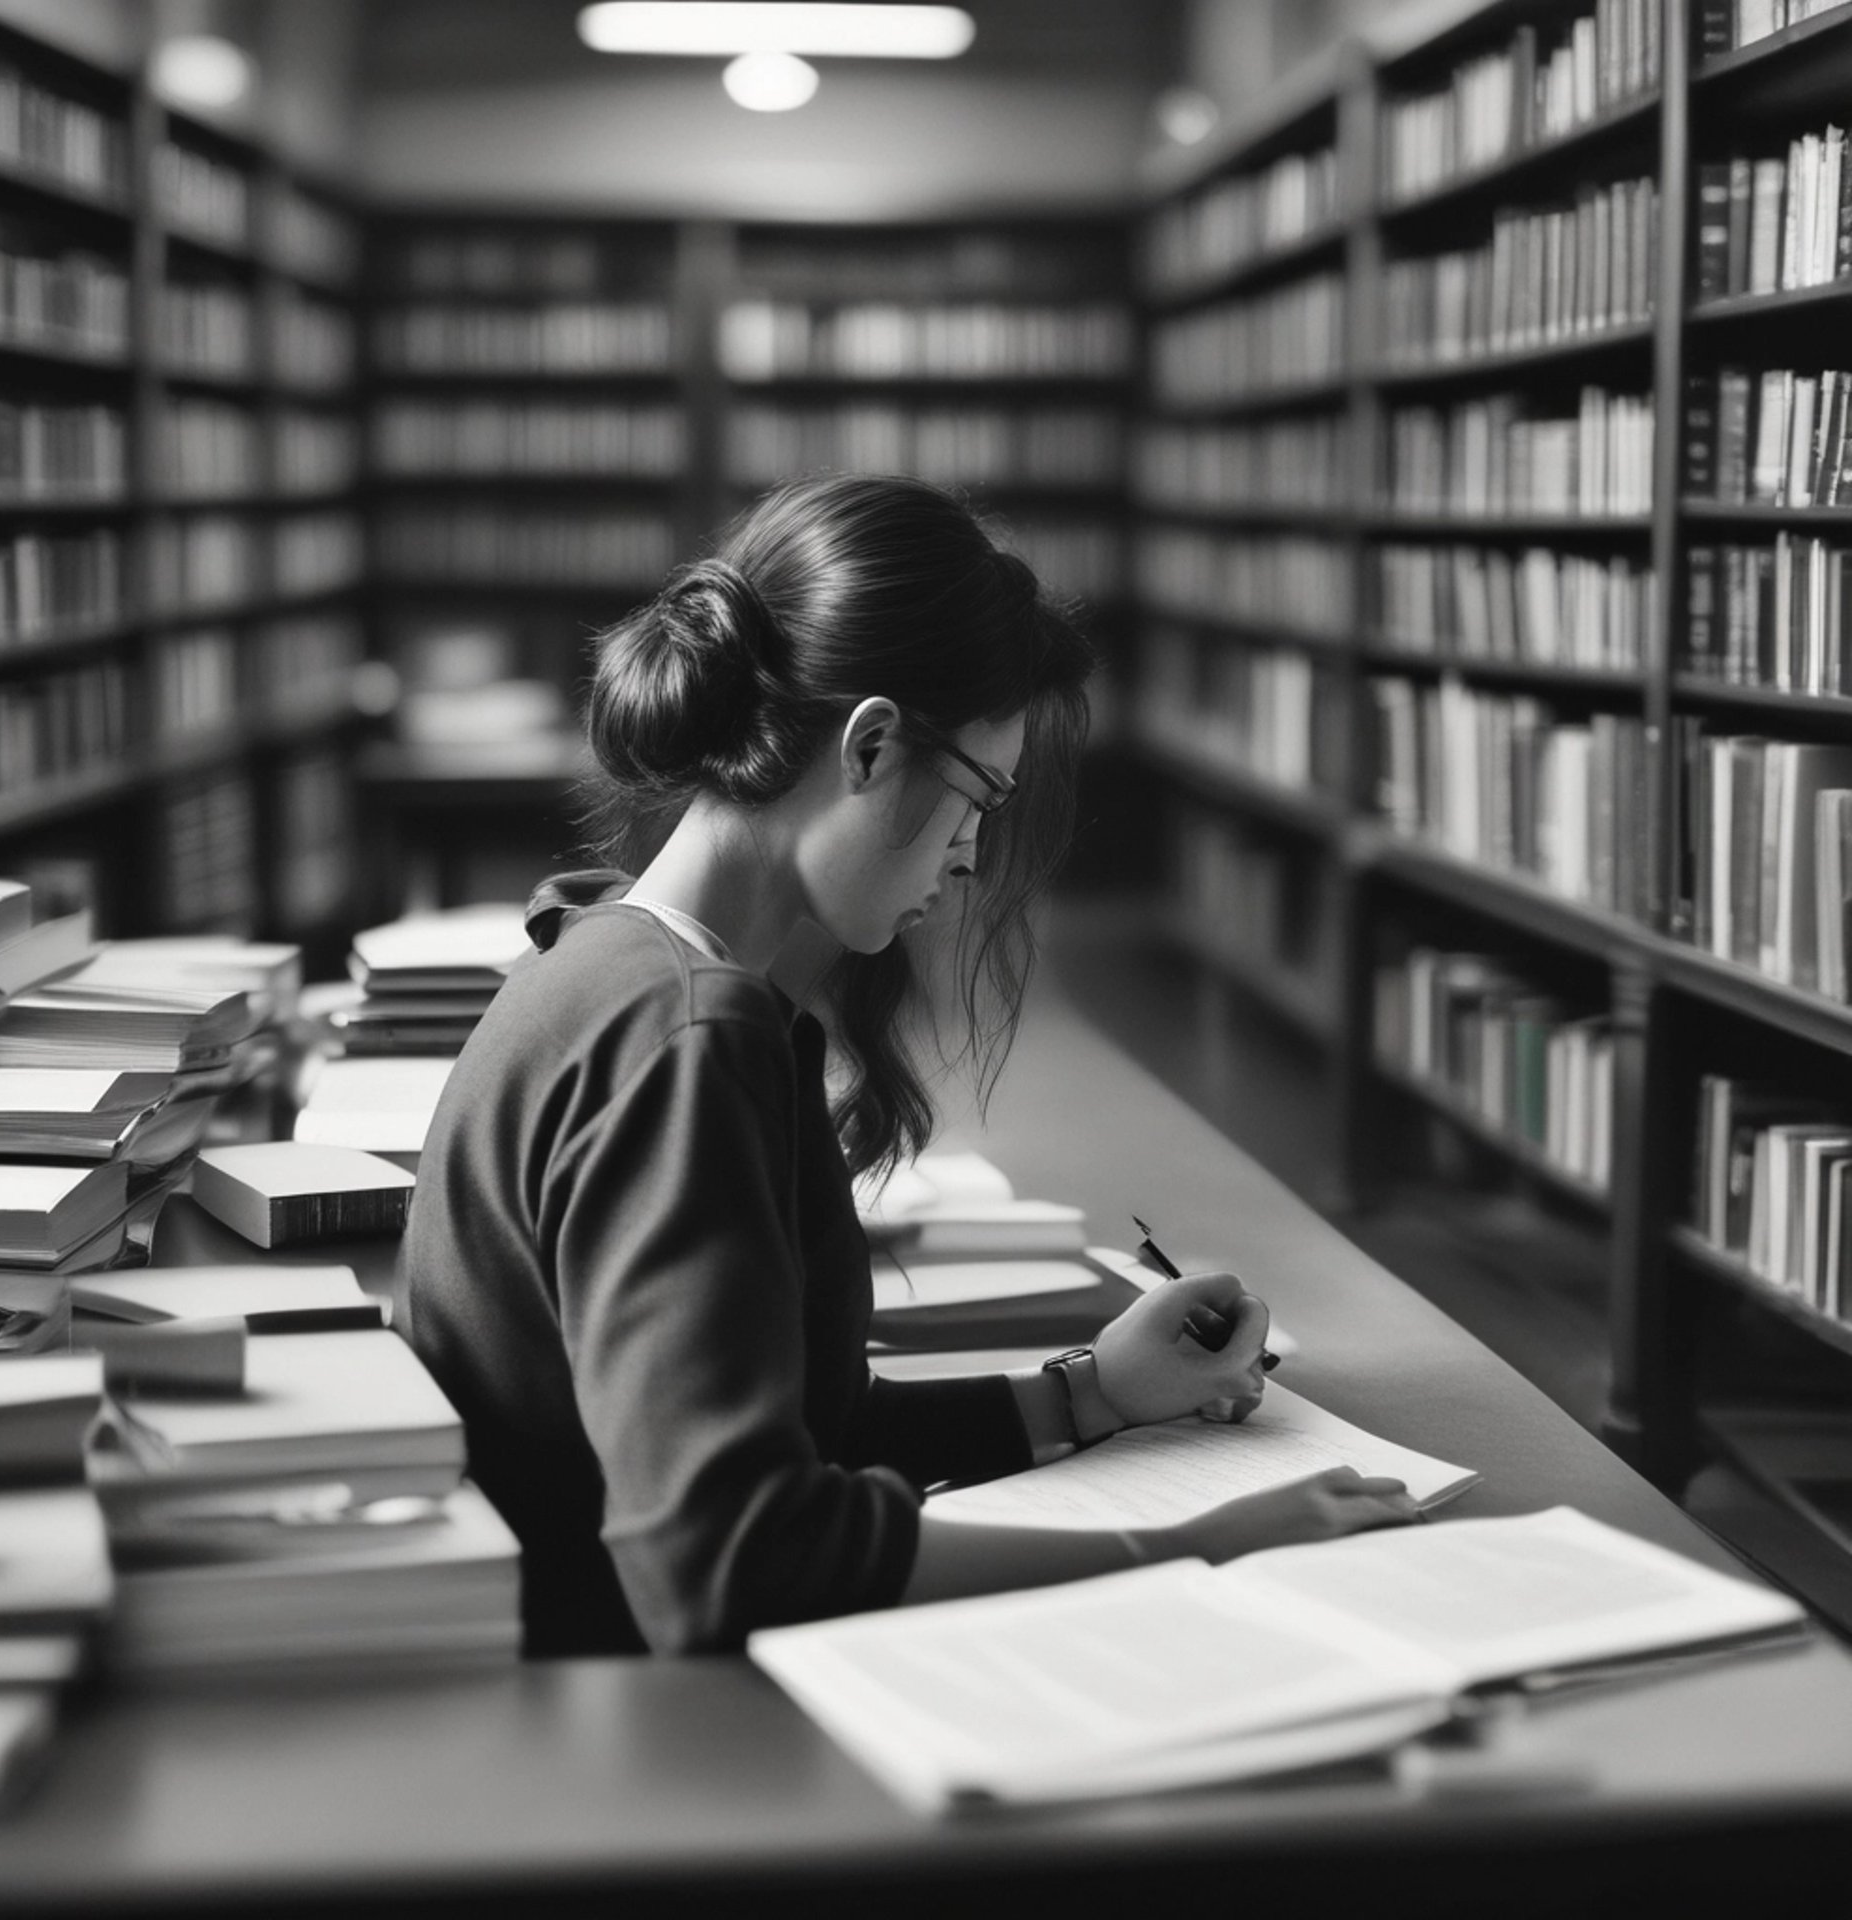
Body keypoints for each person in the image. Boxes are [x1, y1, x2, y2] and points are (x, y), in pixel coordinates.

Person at [398, 473, 1415, 1658]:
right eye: (978, 796)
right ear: (871, 745)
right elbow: (736, 1560)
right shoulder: (686, 1036)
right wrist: (1200, 1549)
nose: (972, 856)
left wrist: (1086, 1396)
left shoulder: (612, 959)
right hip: (639, 1732)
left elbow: (786, 1431)